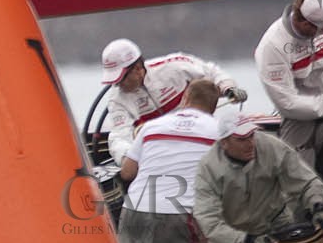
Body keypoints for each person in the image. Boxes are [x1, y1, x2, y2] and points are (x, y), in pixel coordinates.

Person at [254, 0, 323, 199]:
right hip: (298, 118)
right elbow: (286, 103)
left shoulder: (322, 29)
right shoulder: (273, 46)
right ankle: (308, 227)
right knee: (301, 186)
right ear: (302, 21)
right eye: (319, 29)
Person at [194, 111, 323, 243]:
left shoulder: (272, 147)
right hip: (229, 242)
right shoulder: (208, 167)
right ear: (224, 143)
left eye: (252, 135)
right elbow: (209, 221)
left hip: (277, 233)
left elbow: (306, 181)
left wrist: (317, 206)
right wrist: (247, 241)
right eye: (242, 139)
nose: (250, 143)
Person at [115, 79, 221, 243]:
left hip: (133, 210)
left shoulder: (151, 126)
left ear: (185, 97)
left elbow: (127, 172)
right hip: (175, 214)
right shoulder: (219, 130)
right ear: (213, 107)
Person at [98, 38, 246, 163]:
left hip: (199, 139)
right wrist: (127, 159)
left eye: (121, 78)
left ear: (137, 68)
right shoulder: (117, 100)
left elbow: (212, 73)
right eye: (114, 80)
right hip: (160, 156)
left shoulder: (175, 66)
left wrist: (229, 89)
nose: (117, 84)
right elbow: (119, 137)